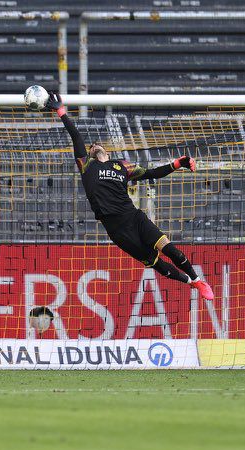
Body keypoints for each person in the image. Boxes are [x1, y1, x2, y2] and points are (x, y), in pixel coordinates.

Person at [46, 93, 214, 301]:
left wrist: (177, 164)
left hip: (134, 218)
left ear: (106, 152)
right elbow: (77, 137)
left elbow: (152, 173)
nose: (94, 146)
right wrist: (61, 111)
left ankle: (198, 280)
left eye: (97, 145)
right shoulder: (87, 166)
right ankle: (192, 284)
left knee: (172, 251)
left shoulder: (122, 166)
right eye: (91, 147)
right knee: (159, 266)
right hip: (117, 231)